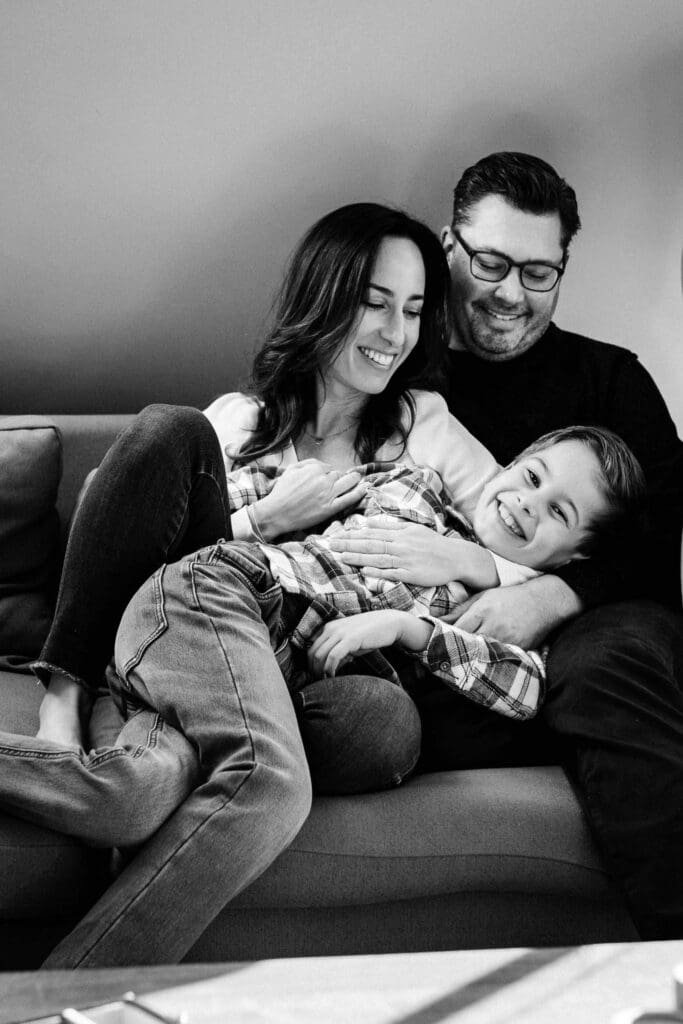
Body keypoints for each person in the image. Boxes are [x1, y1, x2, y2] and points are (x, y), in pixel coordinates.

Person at [4, 201, 501, 967]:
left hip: (295, 669)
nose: (394, 334)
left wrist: (464, 562)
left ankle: (225, 748)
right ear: (324, 296)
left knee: (378, 724)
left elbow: (529, 542)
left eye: (411, 310)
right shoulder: (239, 422)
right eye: (373, 303)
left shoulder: (422, 423)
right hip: (196, 634)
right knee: (172, 429)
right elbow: (124, 528)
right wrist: (261, 520)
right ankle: (65, 700)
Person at [329, 152, 683, 940]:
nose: (509, 294)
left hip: (596, 612)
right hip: (415, 612)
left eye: (537, 272)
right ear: (448, 248)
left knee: (603, 666)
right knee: (375, 707)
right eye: (490, 263)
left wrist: (548, 593)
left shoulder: (608, 379)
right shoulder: (393, 360)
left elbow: (671, 535)